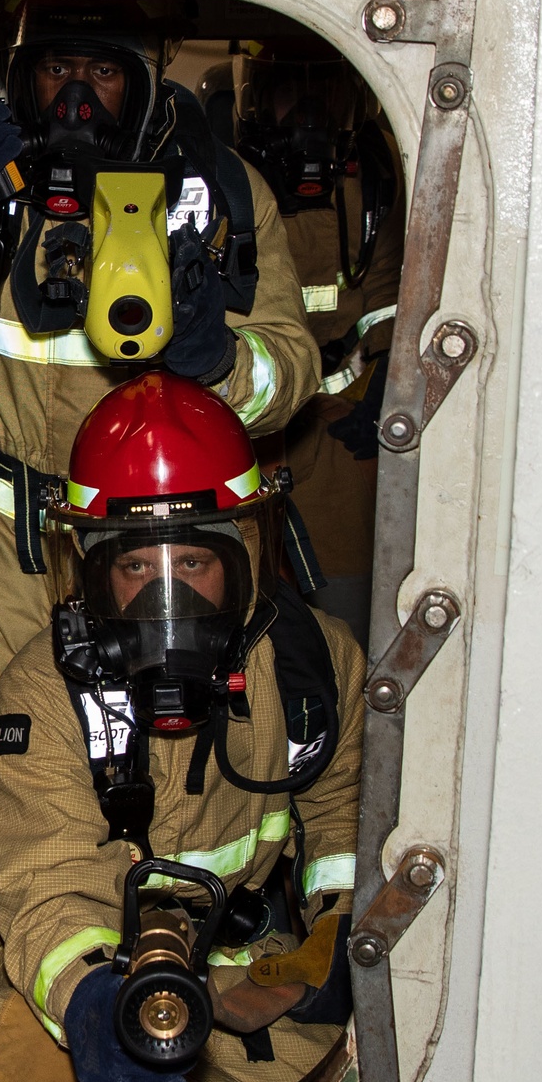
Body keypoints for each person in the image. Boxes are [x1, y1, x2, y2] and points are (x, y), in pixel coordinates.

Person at [0, 0, 321, 1078]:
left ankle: (154, 1016)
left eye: (102, 74)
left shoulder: (222, 194)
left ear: (144, 79)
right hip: (5, 568)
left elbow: (292, 369)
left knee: (176, 792)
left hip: (171, 559)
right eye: (56, 73)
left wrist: (214, 355)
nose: (78, 99)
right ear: (21, 73)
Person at [0, 372, 363, 1082]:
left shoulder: (311, 668)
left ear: (243, 558)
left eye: (193, 564)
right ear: (94, 569)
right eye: (136, 566)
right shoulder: (47, 688)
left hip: (240, 974)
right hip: (74, 970)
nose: (169, 601)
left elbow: (345, 814)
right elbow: (43, 876)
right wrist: (92, 1001)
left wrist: (341, 944)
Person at [223, 40, 405, 646]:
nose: (305, 116)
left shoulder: (373, 191)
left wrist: (386, 382)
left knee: (345, 619)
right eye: (285, 93)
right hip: (239, 422)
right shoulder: (225, 186)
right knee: (235, 607)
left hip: (336, 428)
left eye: (323, 95)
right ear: (253, 101)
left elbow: (388, 301)